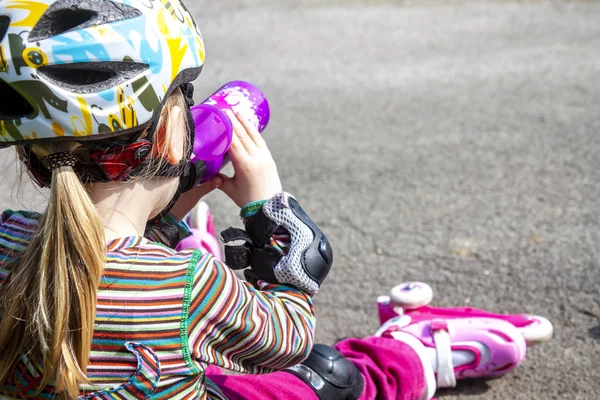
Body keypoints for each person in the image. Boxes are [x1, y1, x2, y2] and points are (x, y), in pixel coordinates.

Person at [0, 1, 552, 399]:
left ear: (31, 158)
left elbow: (91, 262)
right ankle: (414, 356)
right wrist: (272, 212)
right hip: (211, 329)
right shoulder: (185, 286)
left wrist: (160, 221)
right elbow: (288, 336)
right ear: (170, 135)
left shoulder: (6, 240)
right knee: (322, 374)